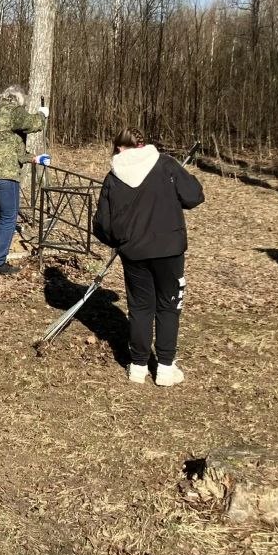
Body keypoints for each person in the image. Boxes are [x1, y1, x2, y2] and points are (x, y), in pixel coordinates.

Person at [92, 127, 204, 386]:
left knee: (140, 307)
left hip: (134, 252)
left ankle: (138, 365)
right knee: (168, 305)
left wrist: (119, 241)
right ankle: (165, 367)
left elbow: (102, 224)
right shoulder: (166, 165)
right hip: (169, 249)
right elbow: (194, 196)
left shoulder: (114, 176)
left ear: (120, 147)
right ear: (142, 144)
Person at [0, 85, 48, 274]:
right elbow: (33, 124)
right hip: (5, 174)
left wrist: (33, 157)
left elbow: (13, 147)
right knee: (8, 217)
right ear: (18, 99)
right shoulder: (14, 111)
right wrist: (42, 114)